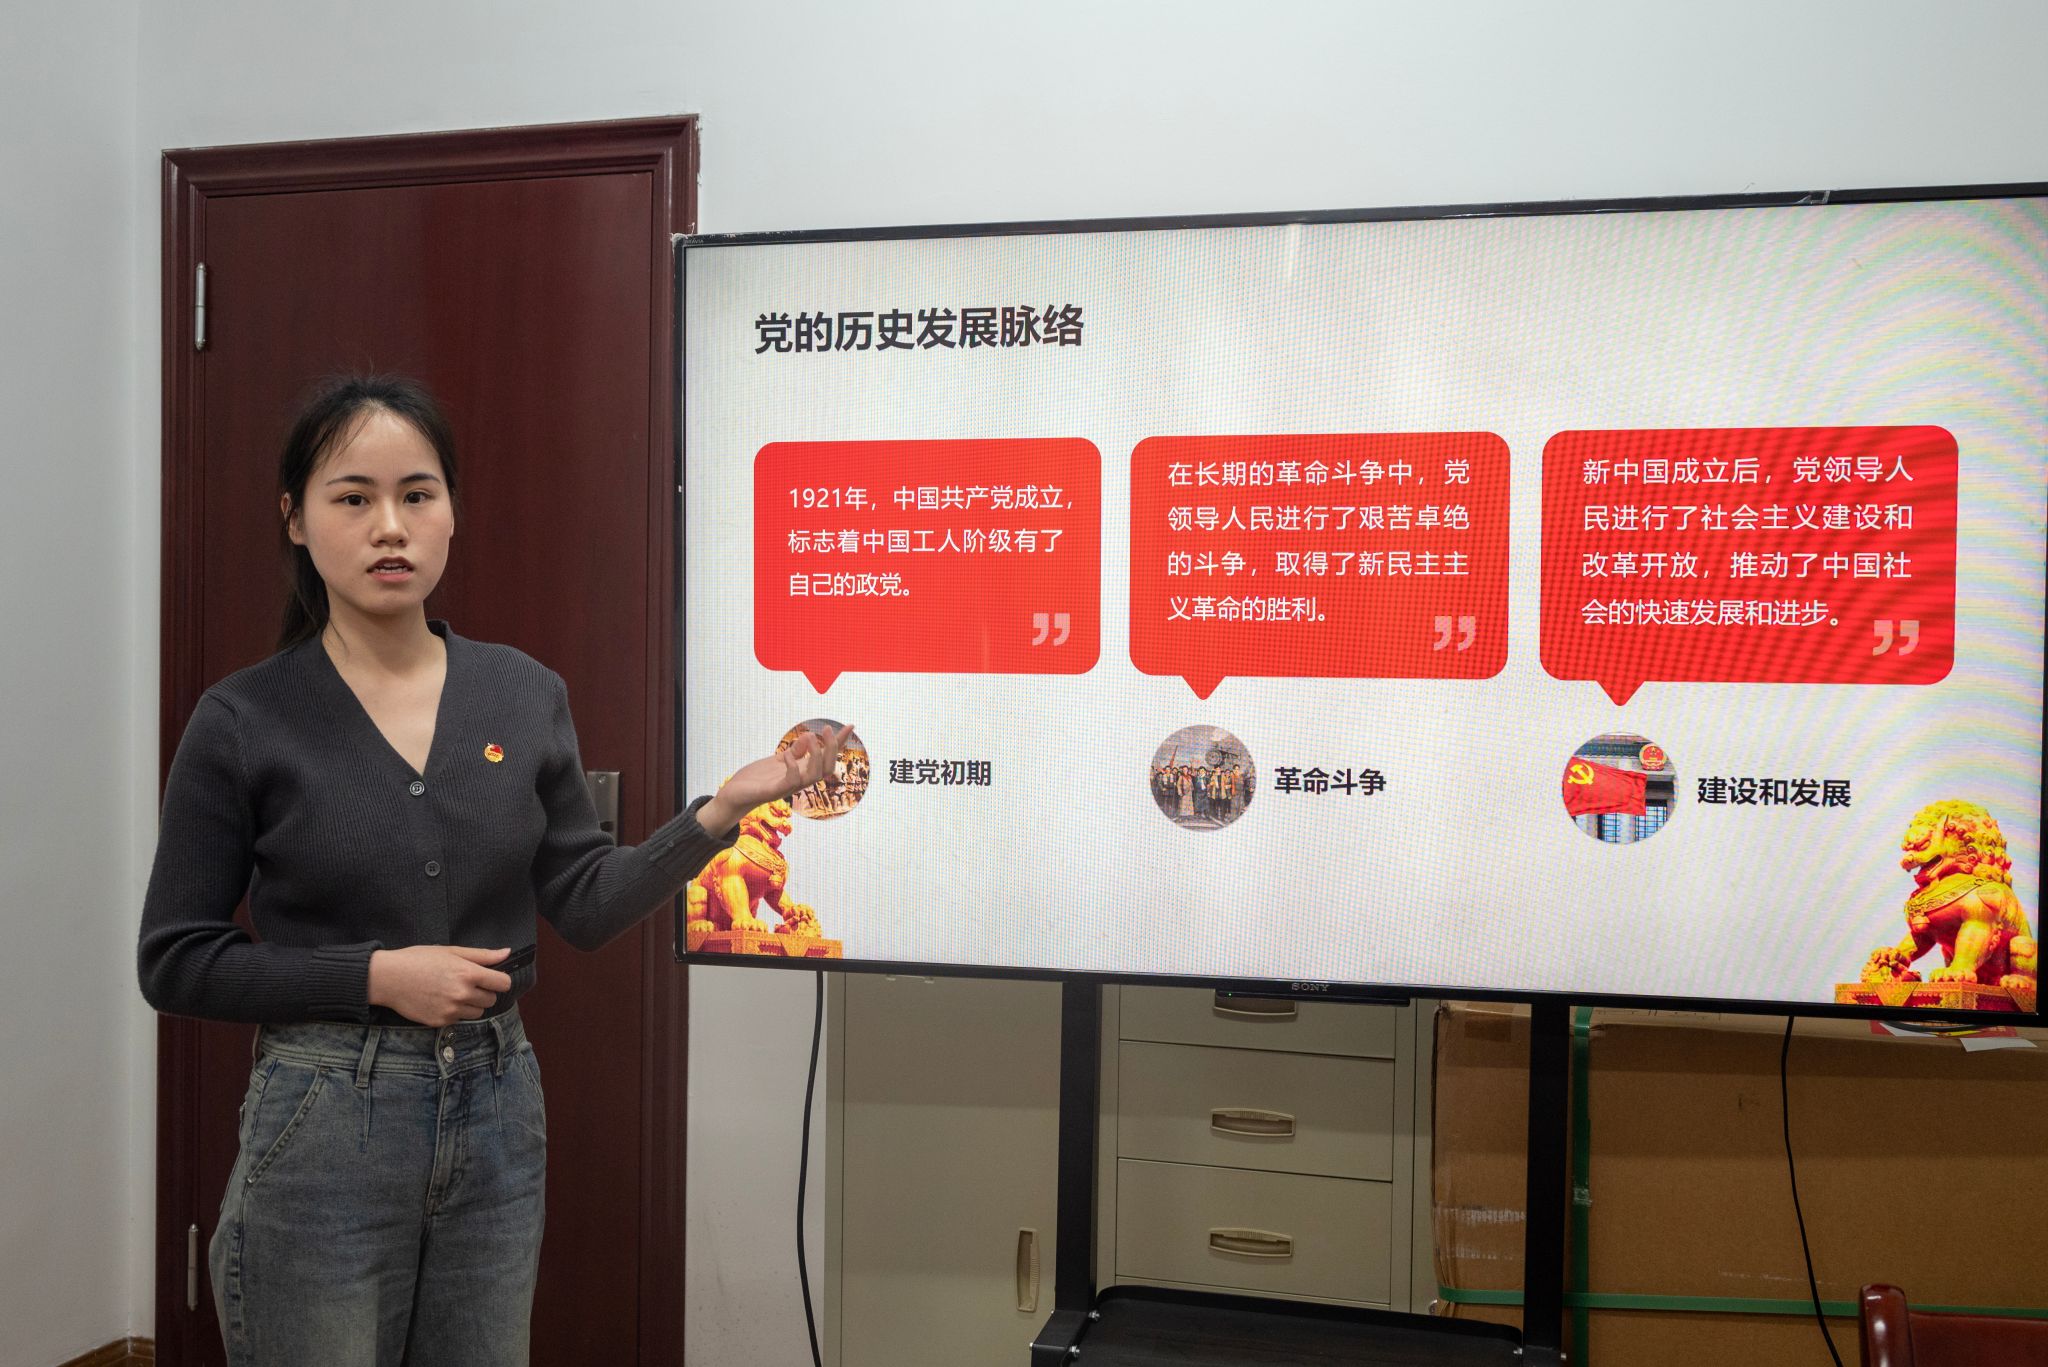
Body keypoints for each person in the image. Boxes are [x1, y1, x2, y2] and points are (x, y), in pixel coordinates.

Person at [136, 374, 846, 1367]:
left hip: (498, 1104)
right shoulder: (242, 719)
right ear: (295, 518)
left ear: (451, 512)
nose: (391, 526)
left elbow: (584, 904)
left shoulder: (522, 691)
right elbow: (175, 960)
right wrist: (377, 975)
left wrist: (718, 814)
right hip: (324, 1116)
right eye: (353, 497)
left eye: (417, 494)